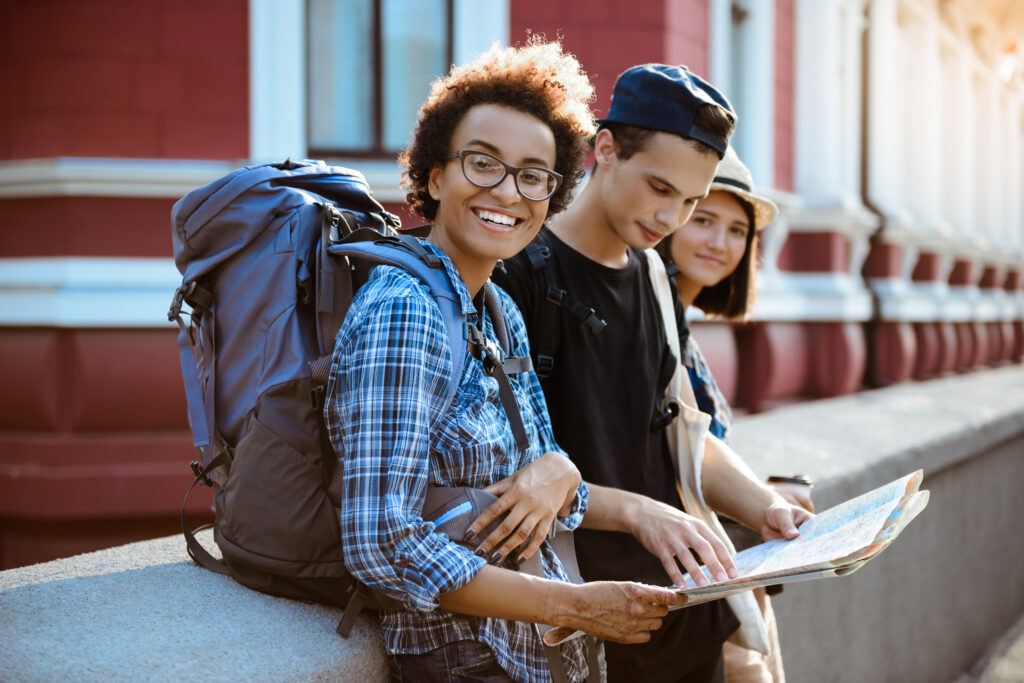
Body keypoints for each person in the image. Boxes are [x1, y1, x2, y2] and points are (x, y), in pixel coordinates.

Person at [323, 42, 686, 683]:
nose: (507, 192)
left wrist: (559, 470)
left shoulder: (496, 308)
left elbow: (538, 484)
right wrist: (572, 604)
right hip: (469, 663)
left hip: (531, 657)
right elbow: (381, 542)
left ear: (552, 192)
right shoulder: (404, 311)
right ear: (435, 176)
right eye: (483, 164)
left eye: (532, 174)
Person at [490, 64, 813, 683]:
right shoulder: (519, 274)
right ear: (605, 149)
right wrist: (638, 511)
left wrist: (767, 507)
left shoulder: (656, 278)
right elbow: (505, 479)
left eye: (691, 200)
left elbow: (679, 433)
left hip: (692, 618)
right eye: (660, 188)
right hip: (588, 628)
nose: (672, 217)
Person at [655, 146, 815, 682]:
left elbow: (696, 445)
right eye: (703, 220)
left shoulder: (681, 322)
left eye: (737, 230)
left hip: (720, 562)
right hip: (684, 570)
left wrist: (762, 493)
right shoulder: (646, 318)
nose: (720, 243)